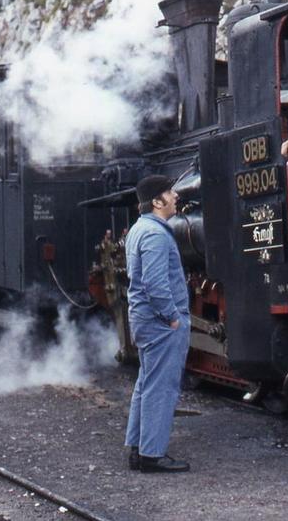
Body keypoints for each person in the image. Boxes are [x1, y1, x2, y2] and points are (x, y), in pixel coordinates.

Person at [123, 175, 192, 473]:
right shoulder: (155, 235)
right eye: (169, 192)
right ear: (156, 201)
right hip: (159, 323)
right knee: (161, 387)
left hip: (145, 320)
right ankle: (152, 455)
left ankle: (138, 450)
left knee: (146, 383)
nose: (175, 196)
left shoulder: (139, 229)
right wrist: (173, 317)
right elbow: (154, 284)